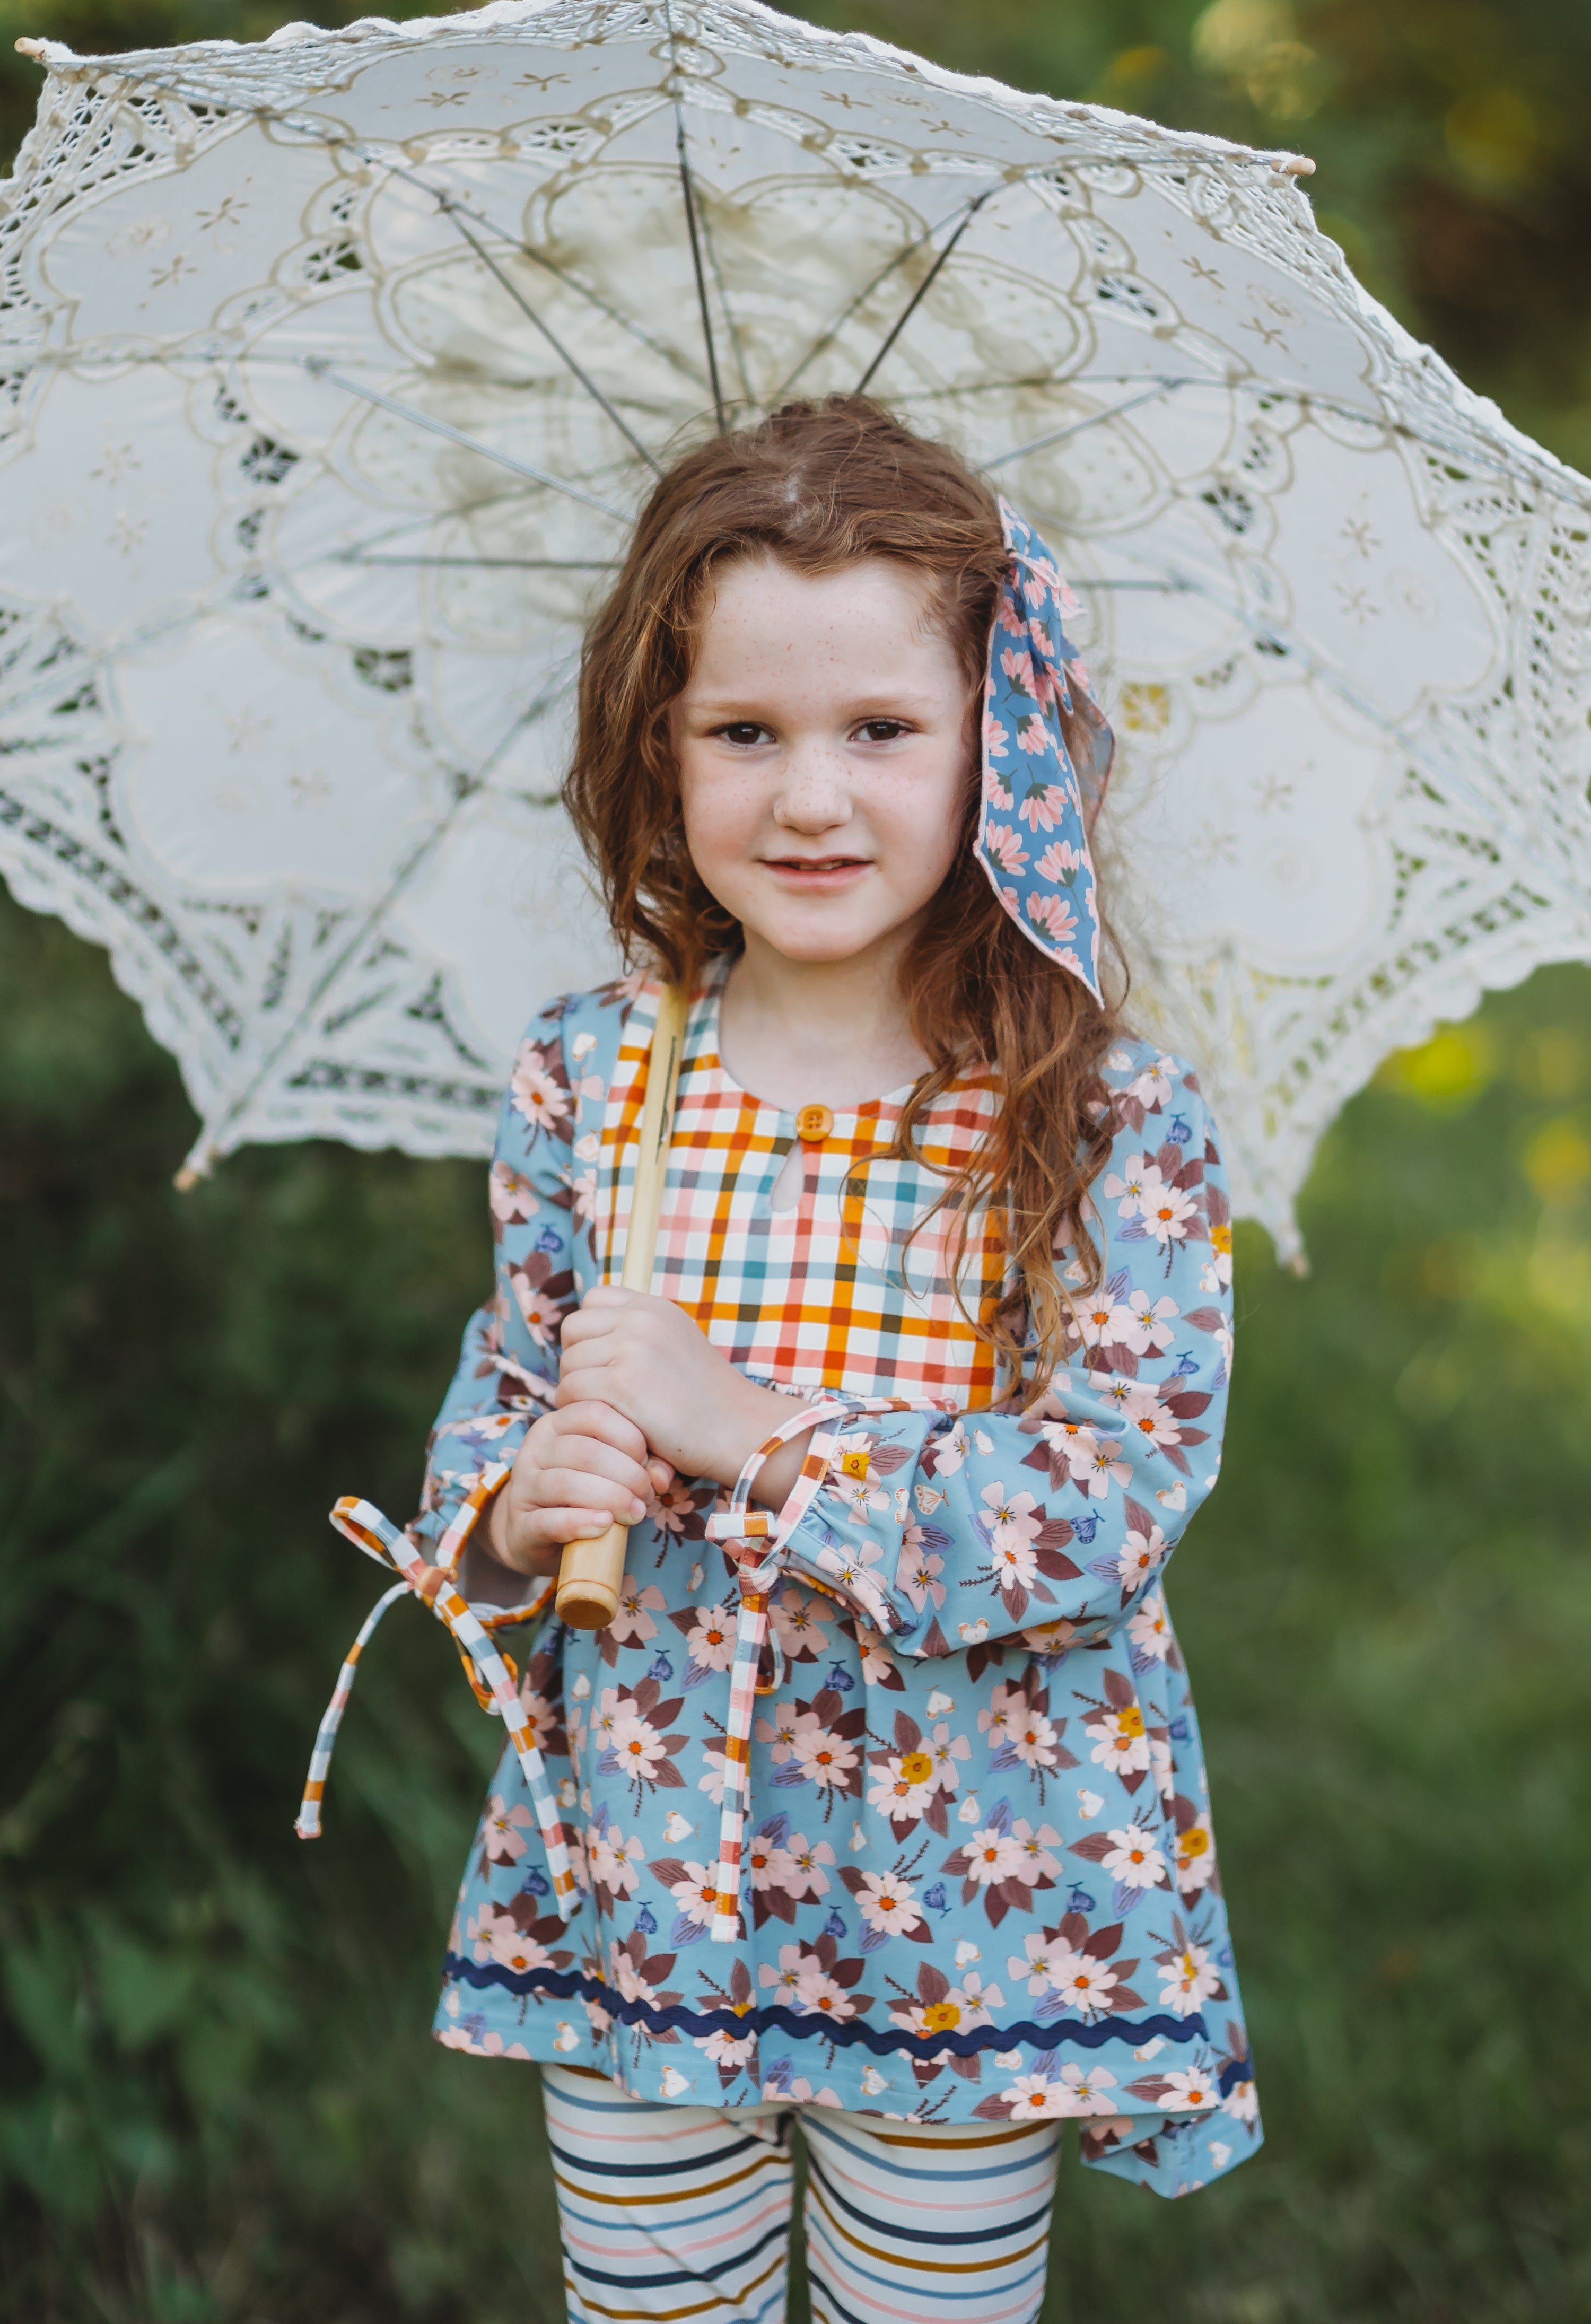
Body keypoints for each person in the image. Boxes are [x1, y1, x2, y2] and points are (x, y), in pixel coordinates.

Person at [312, 395, 1257, 2324]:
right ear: (655, 754)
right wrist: (514, 1511)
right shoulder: (598, 1075)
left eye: (882, 733)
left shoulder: (1092, 1121)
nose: (810, 797)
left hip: (966, 1889)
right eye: (745, 733)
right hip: (645, 1865)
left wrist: (744, 1433)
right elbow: (496, 1421)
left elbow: (1106, 1506)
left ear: (1002, 748)